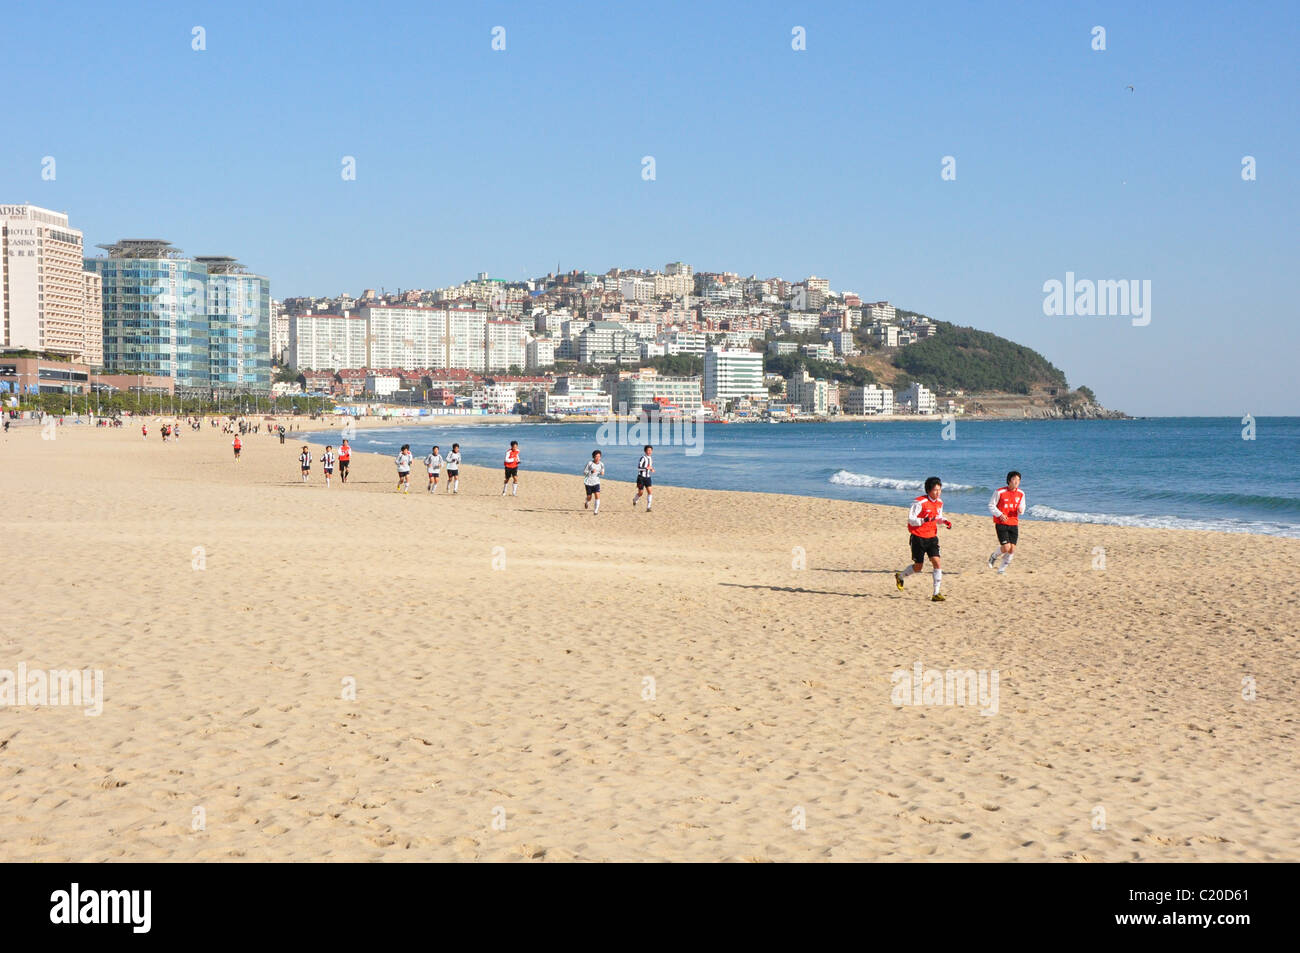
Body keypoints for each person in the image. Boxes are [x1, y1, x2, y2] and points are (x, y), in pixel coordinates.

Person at [895, 476, 952, 602]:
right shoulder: (919, 502)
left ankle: (936, 593)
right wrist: (924, 520)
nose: (938, 493)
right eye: (935, 490)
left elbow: (938, 517)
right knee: (918, 567)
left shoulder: (940, 503)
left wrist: (945, 521)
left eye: (939, 490)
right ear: (928, 490)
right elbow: (911, 519)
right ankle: (900, 576)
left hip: (932, 537)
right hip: (918, 538)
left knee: (937, 562)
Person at [988, 470, 1026, 574]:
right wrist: (1000, 514)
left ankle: (1001, 570)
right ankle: (994, 556)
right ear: (1009, 480)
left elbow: (1022, 505)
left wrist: (1021, 510)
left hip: (1014, 523)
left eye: (1018, 480)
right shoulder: (999, 492)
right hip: (1001, 523)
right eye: (1014, 479)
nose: (1016, 482)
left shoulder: (1021, 493)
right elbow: (991, 505)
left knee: (1012, 549)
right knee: (1006, 547)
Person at [583, 450, 605, 514]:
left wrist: (602, 473)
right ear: (593, 457)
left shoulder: (601, 464)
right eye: (596, 456)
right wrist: (591, 472)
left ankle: (595, 511)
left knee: (597, 495)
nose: (598, 458)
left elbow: (602, 472)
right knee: (589, 497)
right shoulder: (590, 463)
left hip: (596, 482)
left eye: (599, 456)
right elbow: (584, 472)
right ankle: (587, 502)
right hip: (588, 482)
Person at [633, 445, 654, 511]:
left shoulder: (650, 458)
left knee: (650, 492)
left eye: (650, 450)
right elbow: (639, 468)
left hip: (648, 477)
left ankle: (648, 507)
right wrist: (646, 468)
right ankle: (635, 499)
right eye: (648, 450)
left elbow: (649, 467)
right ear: (645, 451)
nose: (649, 452)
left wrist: (651, 469)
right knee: (641, 493)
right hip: (641, 477)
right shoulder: (642, 458)